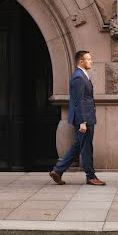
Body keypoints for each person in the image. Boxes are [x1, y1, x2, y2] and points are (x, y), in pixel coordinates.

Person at [49, 50, 105, 186]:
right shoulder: (78, 77)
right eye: (88, 59)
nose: (91, 61)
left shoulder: (82, 75)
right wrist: (83, 122)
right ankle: (90, 177)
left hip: (86, 117)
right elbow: (78, 102)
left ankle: (58, 171)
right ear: (81, 61)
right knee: (86, 148)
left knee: (80, 146)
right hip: (84, 119)